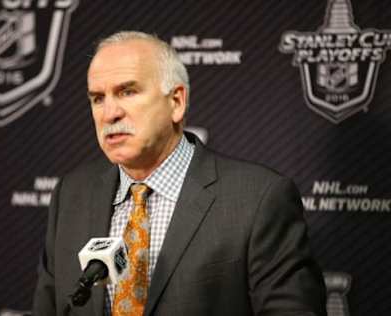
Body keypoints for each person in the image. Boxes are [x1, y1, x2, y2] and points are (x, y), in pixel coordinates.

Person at [33, 31, 327, 316]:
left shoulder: (258, 200)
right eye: (98, 98)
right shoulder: (71, 195)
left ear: (176, 102)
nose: (109, 113)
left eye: (127, 91)